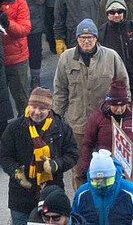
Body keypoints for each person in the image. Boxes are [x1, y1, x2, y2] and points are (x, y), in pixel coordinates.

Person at [52, 19, 129, 190]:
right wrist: (56, 118)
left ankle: (110, 199)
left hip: (107, 125)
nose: (87, 41)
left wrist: (125, 114)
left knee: (110, 167)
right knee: (79, 169)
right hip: (77, 126)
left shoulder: (111, 57)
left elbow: (124, 87)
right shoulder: (65, 58)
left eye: (90, 37)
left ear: (96, 38)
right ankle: (82, 201)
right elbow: (60, 91)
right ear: (77, 38)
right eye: (83, 37)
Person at [0, 88, 78, 225]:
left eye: (42, 108)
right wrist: (16, 171)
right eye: (33, 107)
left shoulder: (61, 128)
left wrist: (57, 164)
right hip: (20, 198)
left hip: (52, 199)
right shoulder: (14, 128)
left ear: (49, 109)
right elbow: (4, 155)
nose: (36, 112)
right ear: (28, 106)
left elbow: (73, 154)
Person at [71, 149, 133, 225]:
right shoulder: (81, 194)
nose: (101, 183)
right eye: (96, 180)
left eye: (106, 180)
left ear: (113, 175)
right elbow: (74, 220)